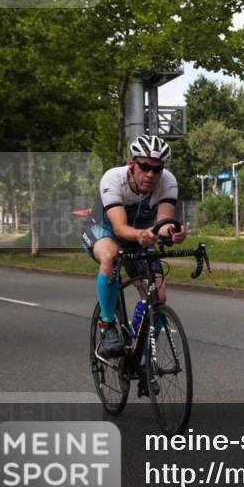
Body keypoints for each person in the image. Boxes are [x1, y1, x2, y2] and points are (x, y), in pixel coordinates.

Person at [86, 135, 187, 365]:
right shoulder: (113, 178)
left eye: (157, 168)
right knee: (111, 256)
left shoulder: (167, 181)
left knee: (158, 297)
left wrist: (174, 232)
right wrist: (143, 235)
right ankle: (108, 324)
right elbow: (120, 228)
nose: (151, 174)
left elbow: (164, 222)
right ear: (132, 163)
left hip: (140, 233)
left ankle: (138, 352)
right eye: (145, 167)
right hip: (103, 229)